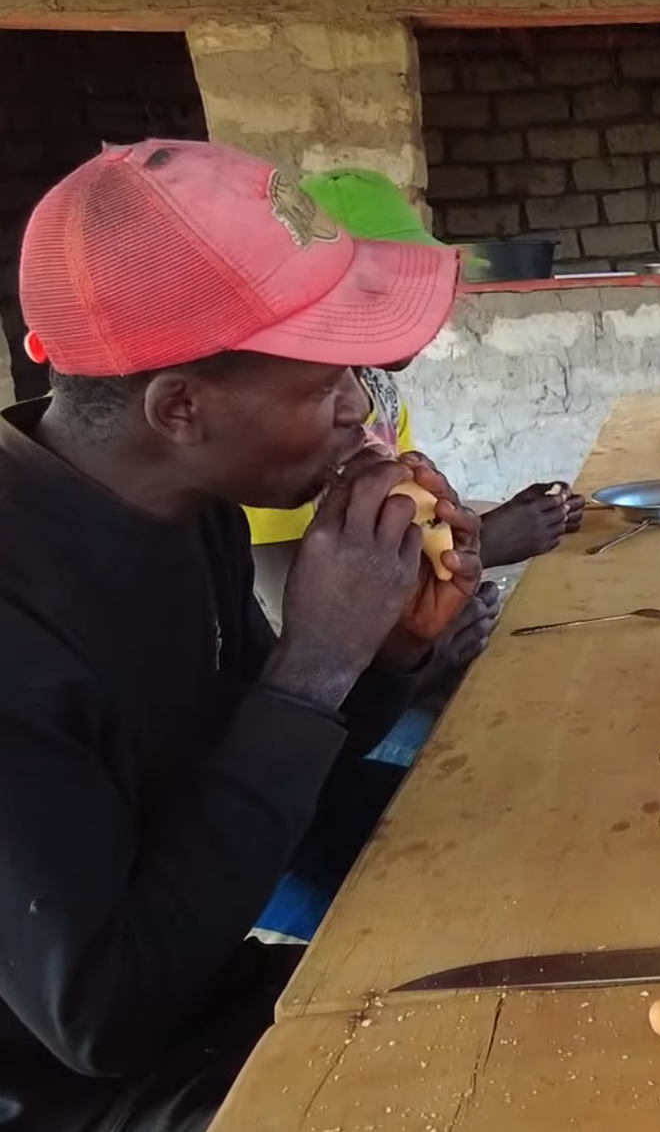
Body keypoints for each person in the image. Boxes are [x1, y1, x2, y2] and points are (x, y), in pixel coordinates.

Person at [0, 140, 476, 1132]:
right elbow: (101, 1020)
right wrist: (313, 664)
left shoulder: (189, 504)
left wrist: (382, 648)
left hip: (202, 982)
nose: (363, 418)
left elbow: (258, 795)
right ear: (180, 405)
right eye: (320, 387)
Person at [244, 168, 584, 630]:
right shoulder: (281, 424)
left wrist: (492, 522)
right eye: (382, 291)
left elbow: (412, 517)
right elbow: (284, 609)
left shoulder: (378, 394)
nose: (420, 311)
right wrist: (486, 545)